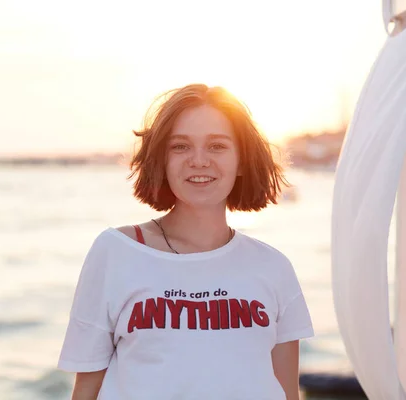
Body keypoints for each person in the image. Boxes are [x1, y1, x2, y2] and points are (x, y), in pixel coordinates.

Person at [58, 83, 314, 400]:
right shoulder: (115, 252)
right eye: (180, 146)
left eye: (217, 146)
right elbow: (86, 388)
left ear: (243, 161)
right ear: (161, 160)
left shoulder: (274, 268)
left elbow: (287, 392)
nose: (198, 160)